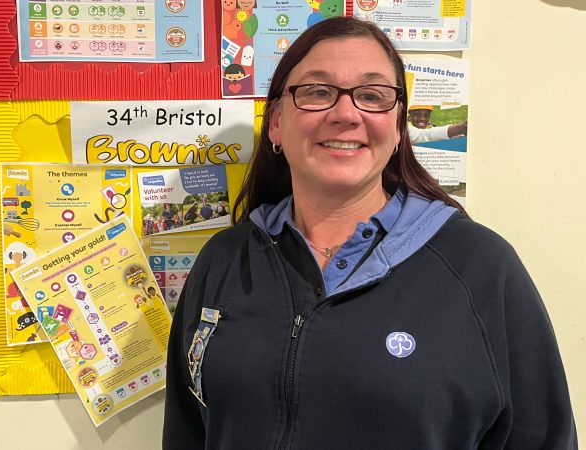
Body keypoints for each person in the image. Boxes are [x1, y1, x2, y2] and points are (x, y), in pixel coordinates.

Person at [163, 17, 575, 449]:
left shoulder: (481, 268)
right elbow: (186, 431)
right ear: (277, 123)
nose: (345, 113)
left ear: (398, 128)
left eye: (372, 96)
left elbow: (543, 437)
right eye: (318, 92)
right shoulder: (223, 260)